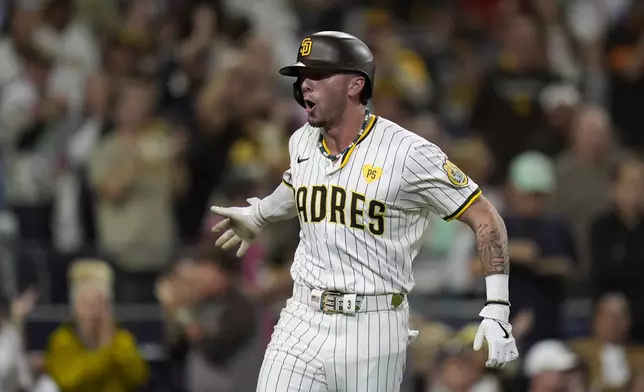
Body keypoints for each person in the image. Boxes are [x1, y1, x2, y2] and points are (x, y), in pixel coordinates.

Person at [210, 31, 519, 392]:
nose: (305, 86)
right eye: (302, 77)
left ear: (356, 84)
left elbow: (485, 216)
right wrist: (261, 213)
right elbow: (298, 184)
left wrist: (497, 306)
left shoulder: (407, 154)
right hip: (301, 315)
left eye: (319, 76)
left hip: (372, 325)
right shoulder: (302, 141)